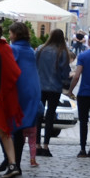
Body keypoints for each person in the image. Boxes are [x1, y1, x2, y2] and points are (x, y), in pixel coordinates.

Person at [0, 16, 23, 178]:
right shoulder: (5, 46)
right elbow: (14, 71)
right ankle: (12, 164)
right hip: (7, 93)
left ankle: (6, 162)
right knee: (4, 131)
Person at [8, 23, 41, 169]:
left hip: (19, 91)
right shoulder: (29, 50)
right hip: (32, 91)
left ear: (15, 34)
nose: (9, 36)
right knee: (20, 128)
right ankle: (16, 164)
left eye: (10, 33)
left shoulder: (14, 49)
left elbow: (9, 70)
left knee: (12, 129)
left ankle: (13, 164)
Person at [35, 29, 72, 158]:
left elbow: (34, 66)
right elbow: (65, 73)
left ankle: (37, 145)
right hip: (55, 88)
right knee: (50, 116)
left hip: (40, 86)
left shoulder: (40, 49)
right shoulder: (62, 52)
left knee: (38, 116)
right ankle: (46, 146)